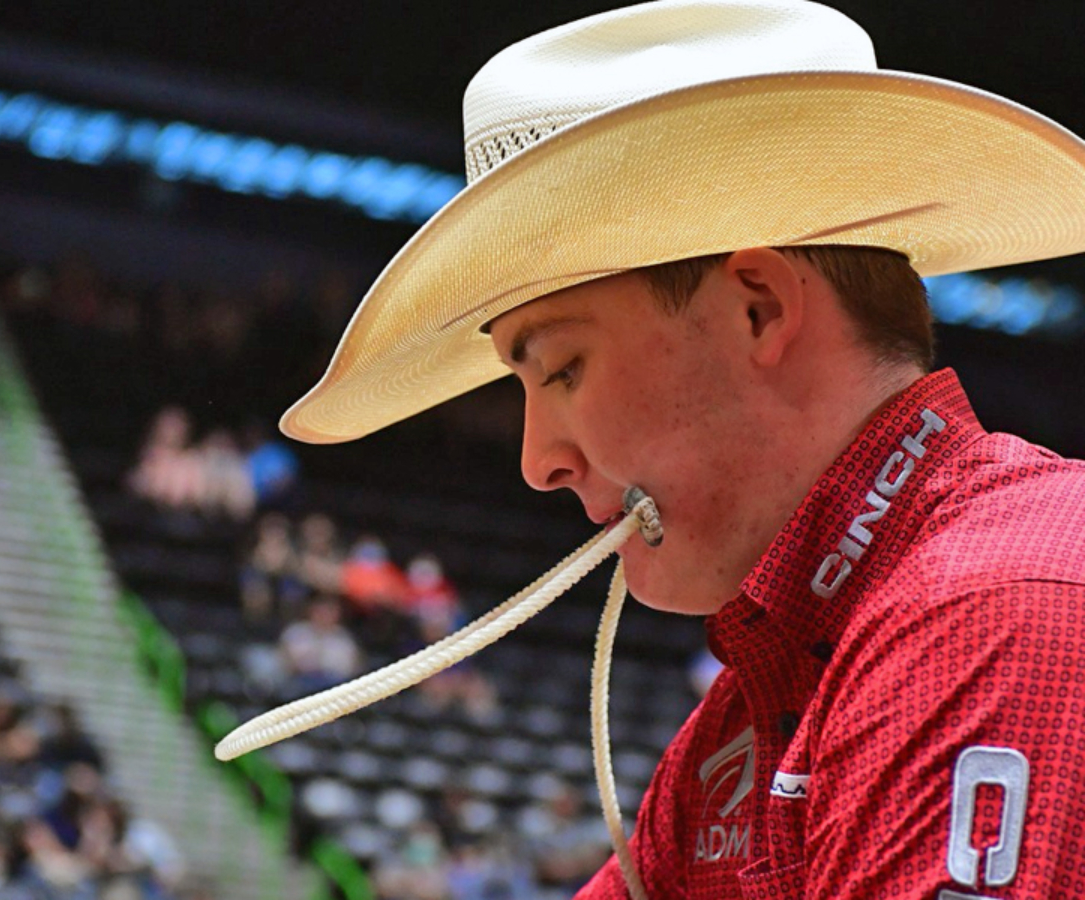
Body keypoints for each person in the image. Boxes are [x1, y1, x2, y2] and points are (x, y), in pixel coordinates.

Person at [274, 1, 1085, 897]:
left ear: (760, 311)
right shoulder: (757, 710)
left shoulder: (993, 612)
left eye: (565, 368)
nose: (537, 460)